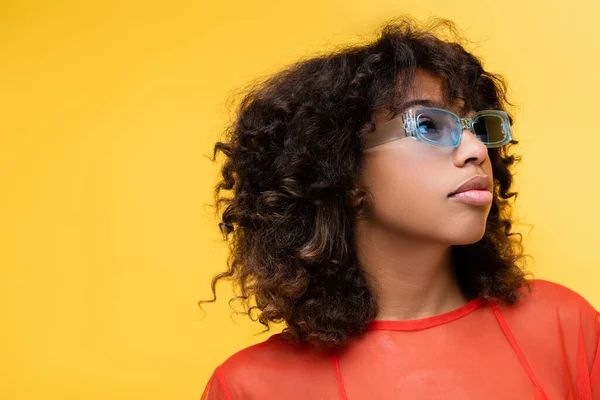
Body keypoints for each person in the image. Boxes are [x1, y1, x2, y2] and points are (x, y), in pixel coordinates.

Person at [199, 17, 600, 399]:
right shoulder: (252, 387)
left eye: (476, 128)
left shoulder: (564, 325)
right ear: (343, 169)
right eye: (428, 125)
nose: (478, 151)